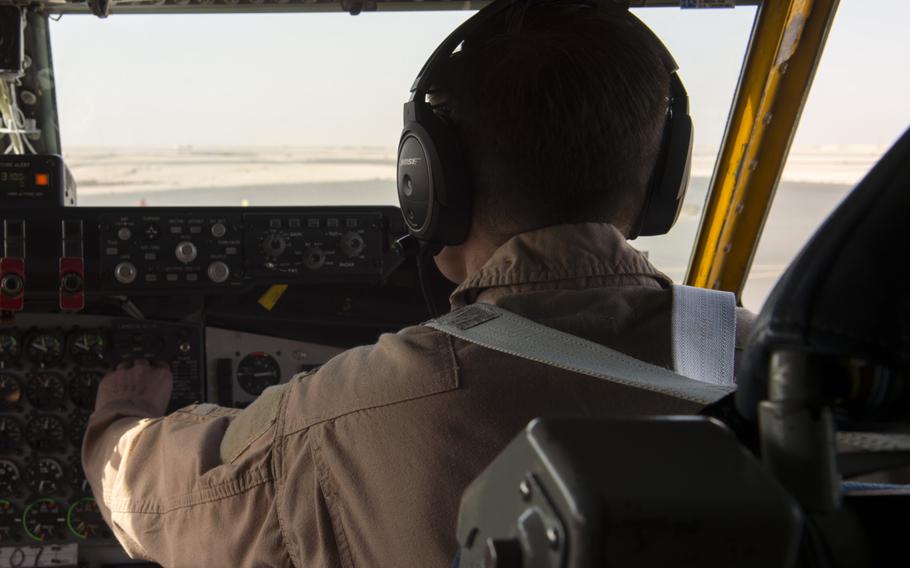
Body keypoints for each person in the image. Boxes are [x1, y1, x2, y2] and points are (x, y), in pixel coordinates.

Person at [82, 2, 753, 567]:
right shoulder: (776, 367)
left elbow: (157, 503)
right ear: (663, 177)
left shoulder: (346, 422)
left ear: (430, 184)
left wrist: (116, 424)